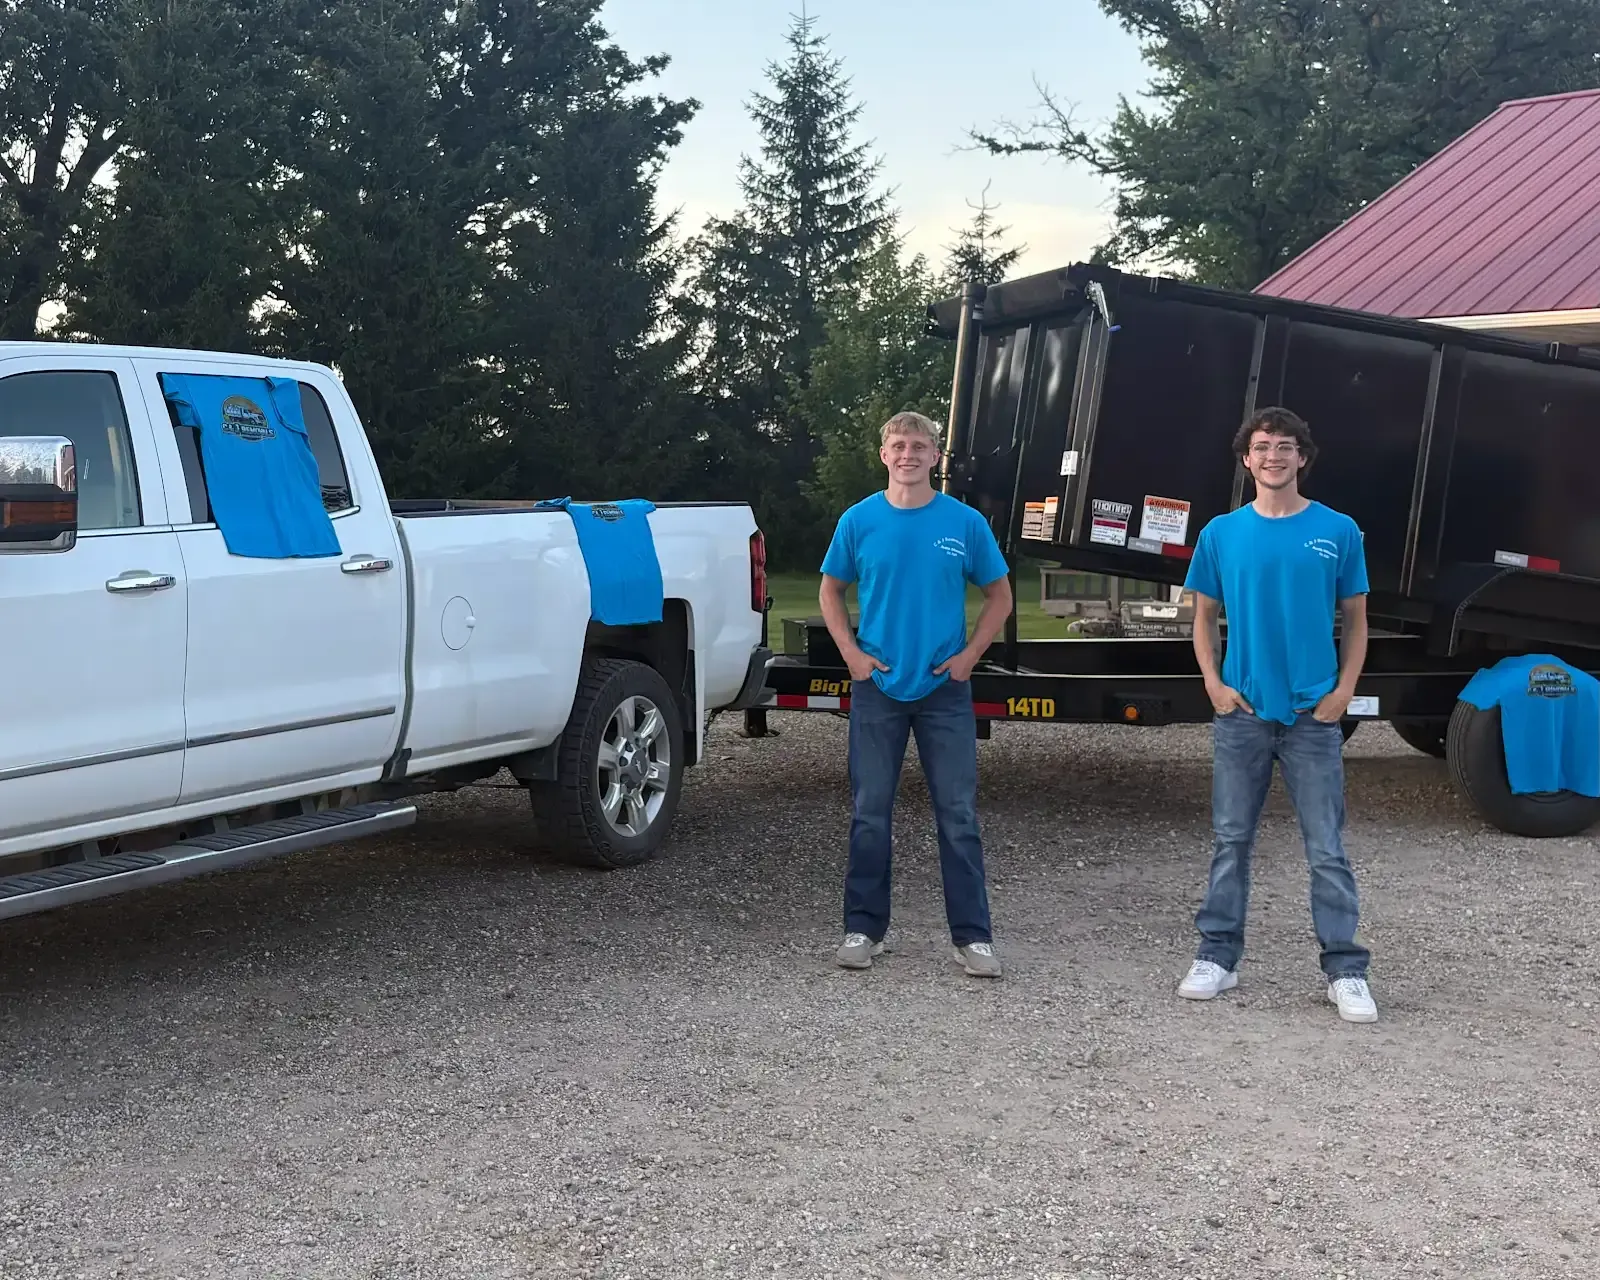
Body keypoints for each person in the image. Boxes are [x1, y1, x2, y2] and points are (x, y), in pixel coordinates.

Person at [1177, 406, 1378, 1023]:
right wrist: (1213, 683)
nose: (1273, 456)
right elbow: (1204, 617)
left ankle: (1345, 970)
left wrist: (1344, 692)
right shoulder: (1221, 534)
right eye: (1263, 446)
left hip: (1313, 716)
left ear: (1302, 458)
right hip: (1242, 712)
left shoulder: (1338, 530)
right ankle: (1218, 957)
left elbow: (1357, 621)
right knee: (1231, 840)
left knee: (1326, 848)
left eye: (1285, 446)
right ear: (1247, 459)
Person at [819, 410, 1013, 979]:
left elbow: (1000, 596)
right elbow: (830, 590)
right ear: (884, 455)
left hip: (944, 691)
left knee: (958, 815)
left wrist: (969, 657)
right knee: (870, 814)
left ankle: (973, 938)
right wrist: (851, 654)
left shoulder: (964, 522)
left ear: (935, 456)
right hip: (878, 688)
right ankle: (863, 929)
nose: (909, 455)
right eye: (899, 446)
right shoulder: (859, 520)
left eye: (920, 446)